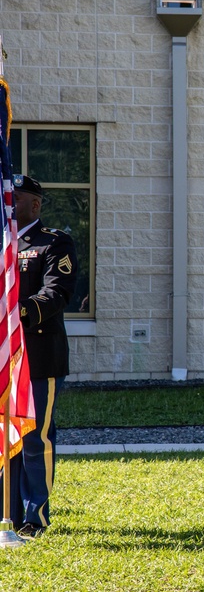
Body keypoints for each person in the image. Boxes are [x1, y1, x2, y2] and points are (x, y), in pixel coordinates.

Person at [3, 174, 78, 539]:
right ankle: (9, 513)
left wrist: (18, 314)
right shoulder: (3, 245)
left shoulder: (54, 243)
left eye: (14, 198)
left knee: (35, 439)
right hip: (8, 359)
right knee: (8, 439)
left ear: (35, 204)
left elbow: (57, 292)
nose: (9, 204)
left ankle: (36, 516)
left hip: (38, 356)